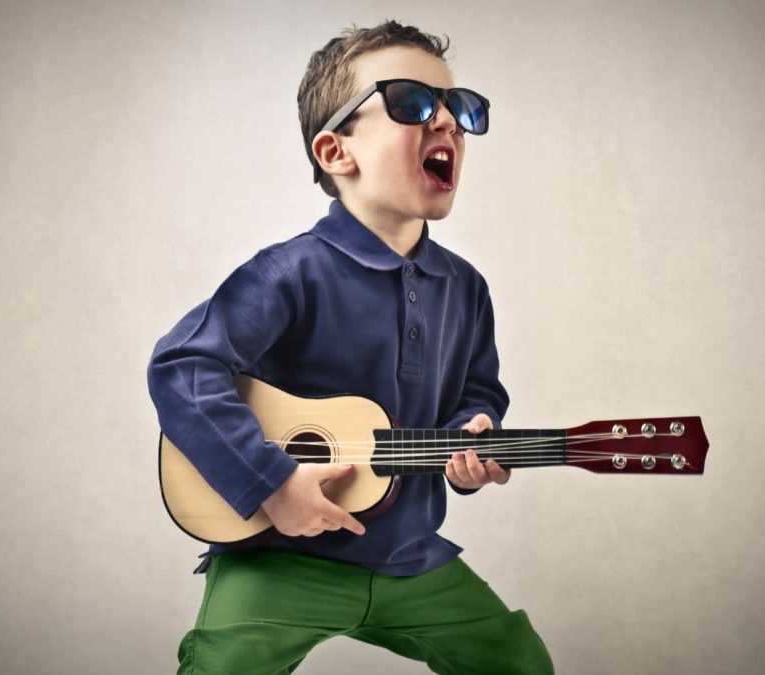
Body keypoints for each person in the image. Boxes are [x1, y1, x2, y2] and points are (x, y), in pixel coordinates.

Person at [147, 19, 555, 675]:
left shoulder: (467, 289)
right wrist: (272, 480)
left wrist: (473, 436)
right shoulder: (289, 273)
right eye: (413, 103)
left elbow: (478, 396)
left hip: (407, 557)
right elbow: (182, 367)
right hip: (280, 556)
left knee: (517, 662)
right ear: (337, 151)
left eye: (461, 107)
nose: (447, 120)